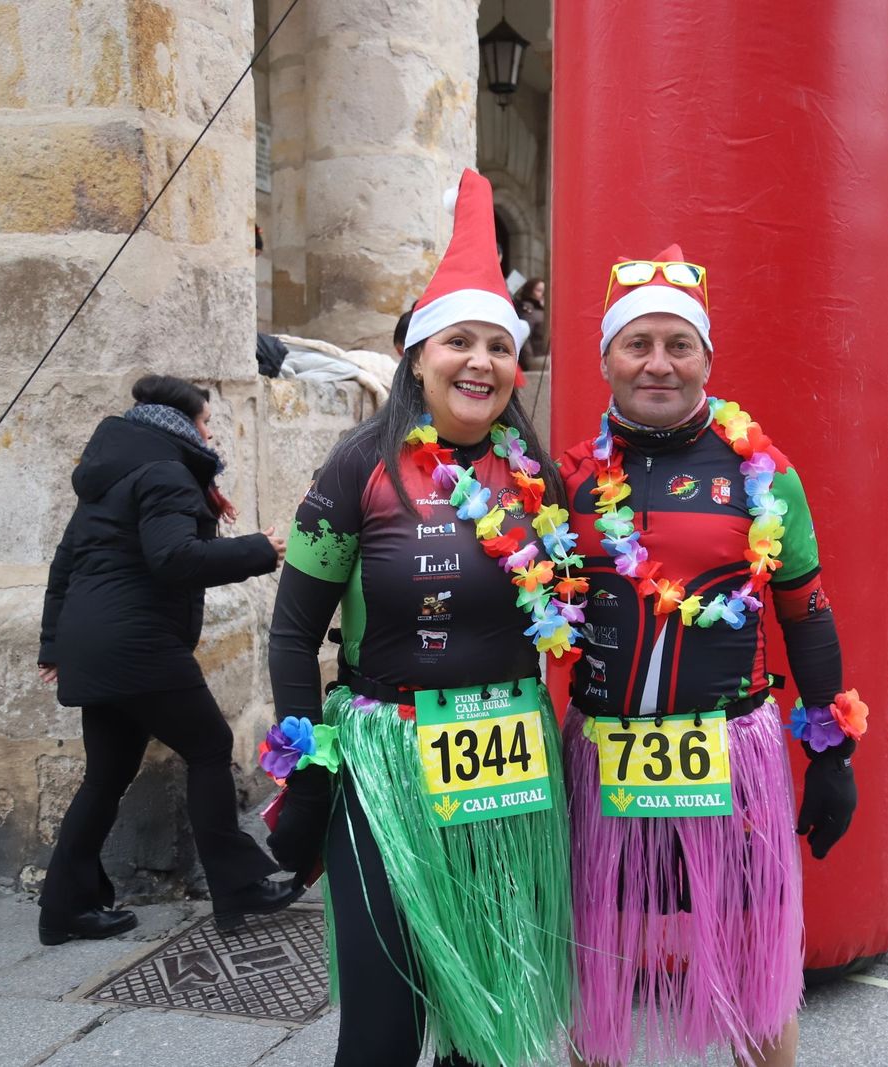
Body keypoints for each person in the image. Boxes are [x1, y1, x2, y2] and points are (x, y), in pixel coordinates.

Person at [264, 169, 572, 1067]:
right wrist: (310, 775)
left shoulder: (535, 476)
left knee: (489, 1022)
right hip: (387, 766)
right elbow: (292, 632)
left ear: (517, 365)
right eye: (458, 342)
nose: (480, 361)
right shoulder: (358, 467)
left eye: (498, 346)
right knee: (381, 1031)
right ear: (417, 355)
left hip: (507, 772)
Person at [558, 244, 863, 1067]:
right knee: (598, 965)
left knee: (756, 962)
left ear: (705, 358)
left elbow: (808, 613)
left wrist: (832, 753)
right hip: (604, 753)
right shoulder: (569, 481)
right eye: (638, 344)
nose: (658, 363)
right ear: (608, 358)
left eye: (678, 344)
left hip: (732, 753)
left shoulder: (762, 472)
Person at [36, 375, 294, 946]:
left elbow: (66, 562)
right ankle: (237, 887)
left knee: (105, 777)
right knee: (207, 747)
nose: (210, 434)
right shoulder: (166, 474)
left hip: (96, 642)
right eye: (205, 423)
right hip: (138, 643)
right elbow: (175, 558)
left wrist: (55, 644)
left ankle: (63, 908)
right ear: (180, 425)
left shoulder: (113, 472)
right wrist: (260, 550)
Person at [515, 277, 548, 367]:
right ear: (530, 291)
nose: (542, 294)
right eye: (539, 290)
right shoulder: (528, 309)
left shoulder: (543, 309)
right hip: (536, 358)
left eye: (545, 291)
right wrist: (528, 361)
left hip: (545, 355)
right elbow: (525, 337)